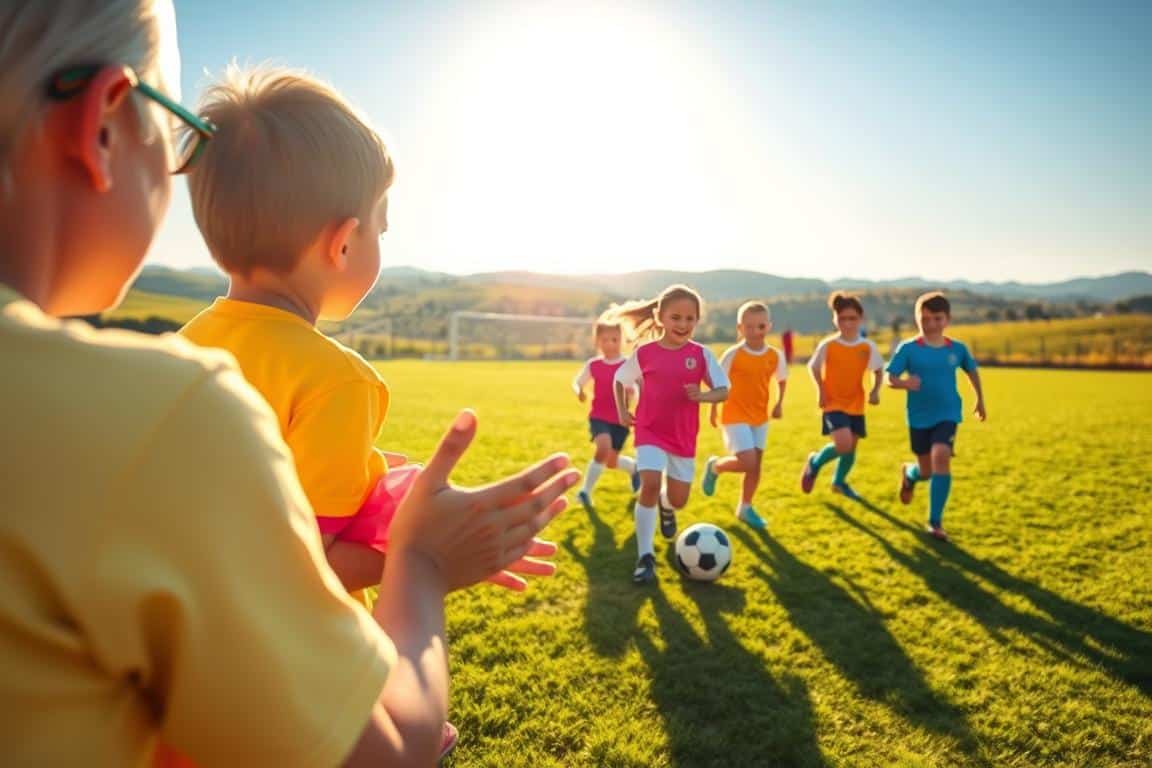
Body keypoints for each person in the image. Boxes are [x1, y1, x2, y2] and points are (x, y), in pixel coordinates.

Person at [0, 2, 577, 765]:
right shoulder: (242, 396)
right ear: (104, 122)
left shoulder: (181, 348)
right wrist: (423, 557)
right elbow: (375, 716)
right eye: (162, 115)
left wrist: (382, 496)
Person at [610, 285, 729, 584]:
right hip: (650, 430)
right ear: (660, 317)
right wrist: (624, 411)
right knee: (649, 483)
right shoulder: (645, 353)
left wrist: (702, 397)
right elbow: (619, 380)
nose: (683, 324)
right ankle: (645, 557)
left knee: (678, 500)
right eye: (676, 317)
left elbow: (723, 390)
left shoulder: (701, 355)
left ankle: (666, 506)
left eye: (690, 319)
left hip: (683, 437)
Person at [887, 291, 987, 541]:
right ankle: (910, 476)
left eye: (937, 318)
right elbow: (890, 378)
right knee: (926, 470)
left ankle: (935, 522)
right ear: (917, 319)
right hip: (919, 417)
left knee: (941, 456)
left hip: (948, 413)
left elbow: (972, 371)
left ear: (948, 319)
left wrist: (979, 400)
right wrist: (904, 384)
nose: (931, 324)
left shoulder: (958, 348)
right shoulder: (908, 349)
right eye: (925, 318)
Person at [701, 301, 788, 529]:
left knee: (755, 466)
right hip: (733, 414)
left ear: (768, 326)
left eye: (760, 326)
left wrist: (778, 403)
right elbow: (716, 381)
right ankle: (715, 467)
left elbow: (782, 379)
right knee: (747, 461)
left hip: (760, 417)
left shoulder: (775, 355)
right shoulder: (733, 355)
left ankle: (745, 508)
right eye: (748, 327)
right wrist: (712, 410)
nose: (755, 332)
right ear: (740, 328)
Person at [799, 292, 884, 500]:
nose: (847, 323)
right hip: (832, 402)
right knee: (843, 444)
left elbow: (878, 370)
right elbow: (814, 367)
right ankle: (815, 462)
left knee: (850, 448)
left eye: (852, 318)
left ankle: (839, 482)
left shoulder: (867, 347)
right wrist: (820, 390)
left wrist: (874, 391)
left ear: (861, 319)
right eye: (842, 318)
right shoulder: (828, 345)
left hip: (856, 404)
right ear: (835, 319)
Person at [572, 312, 640, 509]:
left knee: (611, 461)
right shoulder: (593, 365)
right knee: (603, 448)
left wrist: (631, 393)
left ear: (622, 340)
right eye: (605, 340)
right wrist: (579, 391)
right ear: (597, 341)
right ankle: (584, 492)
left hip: (620, 419)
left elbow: (636, 390)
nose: (610, 344)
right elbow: (578, 381)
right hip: (599, 417)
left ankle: (634, 469)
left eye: (615, 339)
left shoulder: (627, 364)